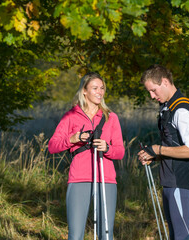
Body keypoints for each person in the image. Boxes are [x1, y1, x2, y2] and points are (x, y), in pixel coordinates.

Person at [48, 72, 125, 240]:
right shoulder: (71, 116)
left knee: (106, 234)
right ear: (84, 91)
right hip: (79, 178)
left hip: (106, 179)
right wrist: (72, 139)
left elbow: (120, 152)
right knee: (75, 235)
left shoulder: (111, 117)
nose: (100, 92)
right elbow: (52, 146)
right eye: (95, 88)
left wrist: (107, 148)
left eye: (102, 88)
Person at [137, 64, 189, 240]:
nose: (152, 96)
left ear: (165, 82)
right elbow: (175, 146)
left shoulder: (181, 110)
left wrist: (158, 149)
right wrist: (154, 155)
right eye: (149, 92)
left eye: (153, 90)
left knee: (182, 236)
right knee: (175, 235)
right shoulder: (168, 108)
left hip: (180, 182)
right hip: (169, 182)